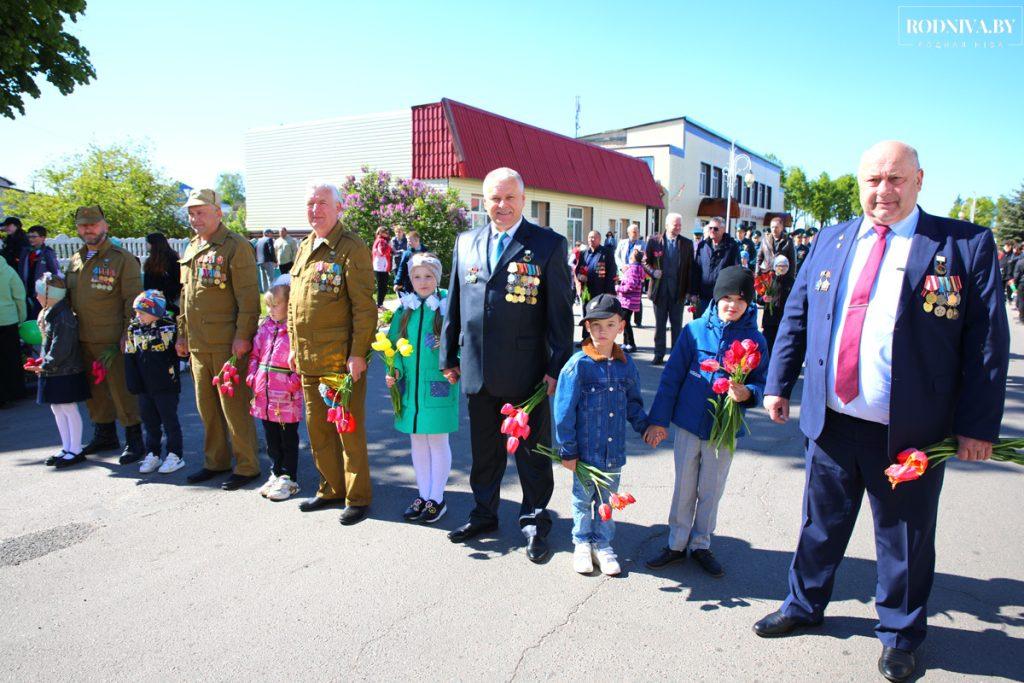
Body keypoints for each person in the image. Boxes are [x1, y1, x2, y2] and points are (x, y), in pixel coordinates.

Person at [752, 141, 1009, 683]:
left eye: (894, 179)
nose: (882, 192)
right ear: (859, 184)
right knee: (819, 526)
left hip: (912, 430)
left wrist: (977, 426)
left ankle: (900, 635)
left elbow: (987, 344)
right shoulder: (831, 238)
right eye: (872, 180)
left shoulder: (964, 245)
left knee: (905, 541)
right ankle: (804, 603)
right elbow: (797, 314)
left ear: (919, 181)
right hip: (833, 420)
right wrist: (778, 382)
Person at [440, 167, 574, 563]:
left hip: (527, 372)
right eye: (494, 199)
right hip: (477, 368)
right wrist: (450, 355)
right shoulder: (466, 242)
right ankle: (484, 513)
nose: (501, 206)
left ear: (523, 199)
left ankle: (534, 521)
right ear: (484, 201)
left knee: (531, 455)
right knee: (484, 453)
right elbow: (455, 305)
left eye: (509, 198)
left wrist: (556, 367)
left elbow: (560, 314)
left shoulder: (547, 244)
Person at [643, 266, 768, 578]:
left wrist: (748, 393)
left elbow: (763, 383)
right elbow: (672, 377)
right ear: (716, 297)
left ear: (748, 303)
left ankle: (701, 544)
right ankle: (676, 543)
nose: (732, 305)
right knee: (684, 486)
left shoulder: (756, 339)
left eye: (740, 299)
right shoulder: (695, 330)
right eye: (726, 297)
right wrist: (658, 420)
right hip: (688, 424)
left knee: (711, 489)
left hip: (722, 431)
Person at [287, 183, 377, 525]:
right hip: (308, 359)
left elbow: (364, 309)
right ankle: (330, 489)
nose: (315, 209)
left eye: (322, 203)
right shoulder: (305, 246)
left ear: (339, 208)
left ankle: (357, 496)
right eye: (310, 203)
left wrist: (358, 354)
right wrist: (295, 347)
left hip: (340, 362)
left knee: (348, 432)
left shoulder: (351, 248)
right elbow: (297, 305)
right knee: (318, 432)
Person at [553, 294, 649, 576]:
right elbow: (564, 412)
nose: (601, 331)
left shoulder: (625, 364)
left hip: (613, 452)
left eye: (609, 324)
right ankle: (582, 542)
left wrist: (644, 427)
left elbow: (633, 402)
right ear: (586, 327)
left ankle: (602, 543)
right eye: (595, 325)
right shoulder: (577, 365)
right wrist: (567, 449)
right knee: (582, 499)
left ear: (621, 325)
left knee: (606, 500)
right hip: (584, 452)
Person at [175, 189, 261, 491]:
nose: (195, 218)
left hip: (227, 344)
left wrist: (243, 337)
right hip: (198, 344)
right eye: (191, 213)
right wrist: (182, 334)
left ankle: (247, 465)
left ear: (217, 213)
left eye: (201, 212)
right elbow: (186, 296)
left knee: (233, 408)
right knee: (207, 409)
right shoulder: (192, 247)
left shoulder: (235, 246)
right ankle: (216, 461)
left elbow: (249, 298)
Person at [64, 205, 145, 463]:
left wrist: (128, 334)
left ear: (105, 226)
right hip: (82, 337)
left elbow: (132, 301)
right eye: (83, 225)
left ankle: (134, 439)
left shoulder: (122, 259)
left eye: (93, 224)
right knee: (95, 391)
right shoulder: (76, 259)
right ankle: (104, 434)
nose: (88, 229)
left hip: (112, 339)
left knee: (122, 391)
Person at [386, 253, 458, 523]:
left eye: (428, 276)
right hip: (410, 390)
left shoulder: (447, 306)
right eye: (417, 276)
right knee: (417, 440)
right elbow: (393, 345)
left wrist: (455, 365)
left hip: (437, 385)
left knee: (437, 441)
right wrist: (393, 371)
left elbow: (461, 342)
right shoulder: (405, 308)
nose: (422, 281)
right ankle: (423, 494)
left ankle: (437, 498)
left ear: (437, 278)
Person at [248, 283, 304, 501]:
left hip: (286, 397)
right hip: (264, 395)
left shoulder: (295, 331)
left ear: (289, 305)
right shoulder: (265, 328)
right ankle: (276, 471)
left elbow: (301, 361)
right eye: (268, 305)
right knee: (271, 437)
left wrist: (293, 382)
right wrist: (253, 376)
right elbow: (254, 355)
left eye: (275, 305)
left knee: (287, 438)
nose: (270, 309)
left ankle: (289, 478)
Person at [31, 274, 91, 468]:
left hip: (65, 370)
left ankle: (76, 449)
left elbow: (61, 348)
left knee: (68, 407)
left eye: (40, 293)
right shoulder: (53, 313)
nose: (37, 296)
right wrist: (43, 362)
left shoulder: (63, 316)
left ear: (50, 295)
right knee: (56, 408)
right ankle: (66, 447)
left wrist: (45, 364)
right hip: (55, 369)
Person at [124, 290, 184, 475]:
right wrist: (133, 381)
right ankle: (153, 453)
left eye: (141, 312)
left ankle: (175, 454)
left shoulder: (169, 326)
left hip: (166, 384)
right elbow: (130, 355)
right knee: (149, 421)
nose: (138, 316)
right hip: (145, 385)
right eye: (136, 312)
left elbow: (179, 353)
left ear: (155, 311)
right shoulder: (134, 328)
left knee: (169, 420)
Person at [644, 213, 695, 366]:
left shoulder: (687, 243)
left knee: (677, 325)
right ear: (666, 225)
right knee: (660, 325)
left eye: (680, 225)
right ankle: (658, 354)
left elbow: (690, 268)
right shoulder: (654, 242)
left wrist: (689, 291)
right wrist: (653, 272)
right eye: (675, 225)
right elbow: (645, 263)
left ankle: (675, 356)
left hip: (678, 291)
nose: (678, 227)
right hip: (659, 291)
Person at [691, 217, 740, 318]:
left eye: (716, 228)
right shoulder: (702, 246)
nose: (712, 231)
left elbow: (735, 271)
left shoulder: (731, 247)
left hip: (721, 297)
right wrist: (693, 292)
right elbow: (696, 270)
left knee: (718, 327)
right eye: (710, 228)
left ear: (723, 230)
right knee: (701, 326)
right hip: (703, 296)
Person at [18, 225, 61, 320]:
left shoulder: (48, 253)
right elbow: (21, 269)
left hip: (40, 292)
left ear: (43, 238)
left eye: (34, 237)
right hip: (26, 289)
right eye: (29, 237)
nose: (30, 239)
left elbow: (55, 271)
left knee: (38, 316)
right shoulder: (25, 251)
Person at [0, 257, 26, 407]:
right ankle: (14, 393)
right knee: (11, 359)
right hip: (8, 320)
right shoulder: (8, 271)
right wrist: (21, 319)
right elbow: (19, 297)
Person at [760, 255, 794, 357]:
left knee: (781, 346)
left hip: (784, 319)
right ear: (775, 266)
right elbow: (758, 298)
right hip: (769, 320)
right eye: (779, 265)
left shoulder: (792, 282)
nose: (782, 268)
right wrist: (764, 299)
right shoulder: (768, 280)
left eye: (785, 266)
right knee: (768, 345)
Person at [614, 222, 646, 328]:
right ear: (628, 233)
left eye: (637, 232)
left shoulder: (642, 244)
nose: (636, 234)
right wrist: (622, 266)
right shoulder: (622, 242)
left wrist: (636, 267)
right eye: (633, 232)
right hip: (624, 272)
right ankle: (624, 317)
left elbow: (644, 258)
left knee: (637, 297)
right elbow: (617, 255)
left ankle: (638, 320)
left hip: (635, 274)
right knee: (624, 296)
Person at [142, 232, 182, 317]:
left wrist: (168, 297)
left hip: (168, 302)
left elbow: (178, 280)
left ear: (154, 243)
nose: (145, 245)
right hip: (156, 301)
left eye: (147, 242)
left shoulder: (172, 259)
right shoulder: (151, 260)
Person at [615, 248, 645, 352]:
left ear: (633, 258)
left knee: (625, 322)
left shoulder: (633, 269)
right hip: (632, 300)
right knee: (625, 321)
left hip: (628, 300)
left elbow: (630, 286)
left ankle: (631, 344)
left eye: (631, 256)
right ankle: (625, 342)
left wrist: (618, 288)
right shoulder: (638, 268)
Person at [393, 230, 426, 295]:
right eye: (407, 241)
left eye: (410, 241)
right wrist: (397, 283)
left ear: (417, 240)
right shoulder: (407, 254)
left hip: (423, 282)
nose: (408, 243)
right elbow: (402, 268)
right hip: (410, 283)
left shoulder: (426, 252)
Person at [371, 227, 393, 308]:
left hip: (379, 266)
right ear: (380, 232)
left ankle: (380, 304)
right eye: (385, 232)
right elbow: (382, 252)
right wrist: (389, 247)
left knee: (382, 286)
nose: (387, 233)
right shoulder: (381, 241)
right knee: (382, 286)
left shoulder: (378, 240)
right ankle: (379, 304)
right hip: (381, 267)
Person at [256, 228, 278, 292]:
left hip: (260, 262)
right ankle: (271, 294)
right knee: (270, 279)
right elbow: (271, 250)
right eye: (271, 233)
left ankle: (266, 294)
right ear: (267, 233)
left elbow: (255, 249)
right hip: (268, 261)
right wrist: (275, 261)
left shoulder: (259, 241)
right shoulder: (269, 239)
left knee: (264, 280)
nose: (272, 235)